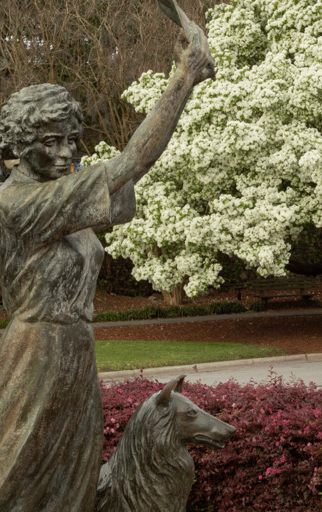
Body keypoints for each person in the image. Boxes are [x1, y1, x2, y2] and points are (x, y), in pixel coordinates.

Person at [0, 13, 214, 512]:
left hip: (76, 349)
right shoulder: (19, 205)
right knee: (21, 476)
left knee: (73, 477)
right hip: (34, 354)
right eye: (48, 142)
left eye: (69, 139)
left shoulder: (62, 198)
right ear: (14, 145)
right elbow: (127, 164)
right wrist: (182, 79)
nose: (64, 152)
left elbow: (129, 177)